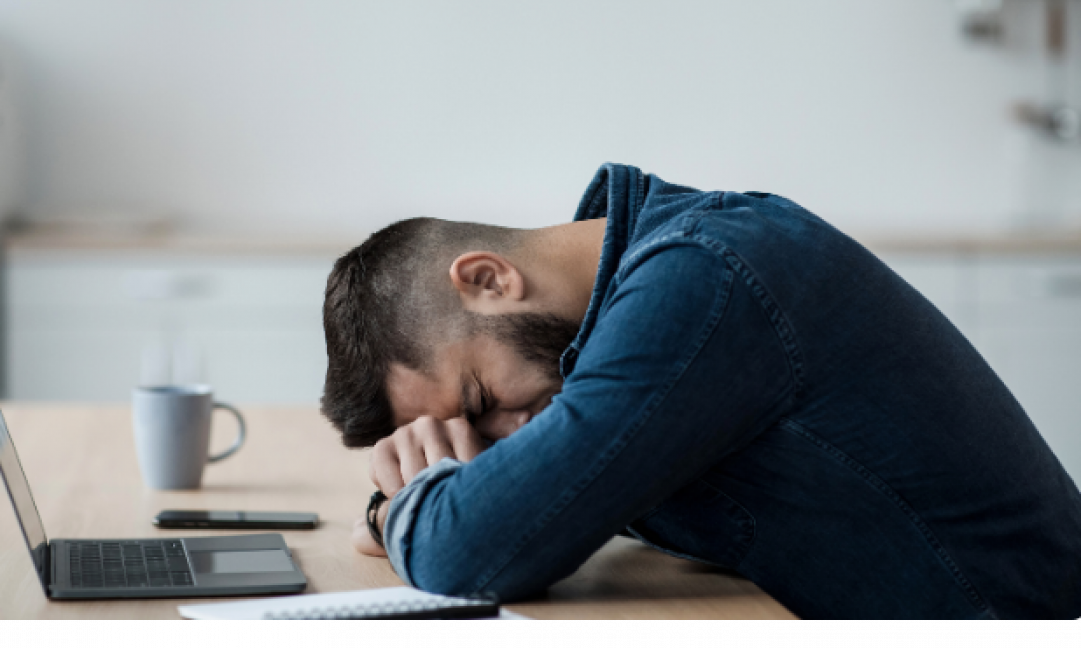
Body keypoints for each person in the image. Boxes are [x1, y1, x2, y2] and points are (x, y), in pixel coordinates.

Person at [320, 163, 1081, 619]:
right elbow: (528, 508)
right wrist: (427, 497)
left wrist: (411, 507)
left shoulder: (703, 281)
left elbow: (473, 553)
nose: (507, 437)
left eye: (483, 405)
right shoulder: (647, 280)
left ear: (488, 280)